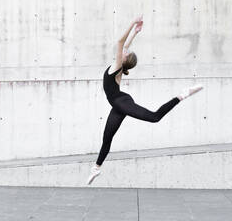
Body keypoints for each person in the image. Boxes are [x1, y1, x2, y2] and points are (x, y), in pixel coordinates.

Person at [87, 16, 203, 185]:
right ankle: (96, 168)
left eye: (126, 53)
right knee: (107, 137)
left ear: (124, 59)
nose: (125, 51)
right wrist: (135, 32)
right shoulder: (118, 65)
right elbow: (125, 45)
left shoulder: (118, 65)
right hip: (118, 105)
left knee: (155, 117)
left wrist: (132, 23)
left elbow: (120, 43)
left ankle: (182, 95)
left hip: (122, 102)